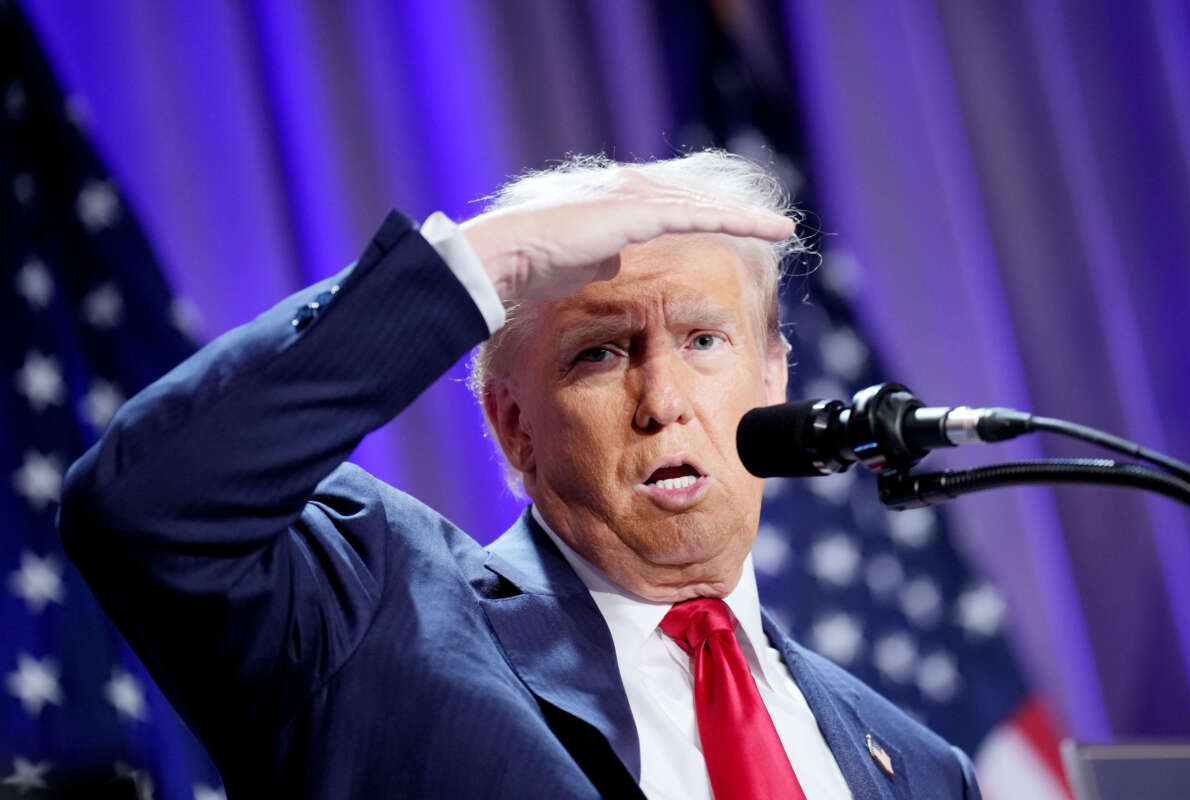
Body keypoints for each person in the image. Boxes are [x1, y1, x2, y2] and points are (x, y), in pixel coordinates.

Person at [60, 151, 980, 799]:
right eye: (600, 354)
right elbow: (146, 506)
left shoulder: (922, 766)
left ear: (774, 374)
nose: (663, 399)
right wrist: (479, 266)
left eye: (703, 340)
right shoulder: (374, 615)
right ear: (511, 423)